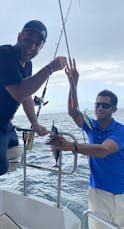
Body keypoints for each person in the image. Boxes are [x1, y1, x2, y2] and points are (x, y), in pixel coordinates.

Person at [0, 20, 67, 229]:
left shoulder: (29, 65)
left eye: (37, 43)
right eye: (28, 39)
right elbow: (18, 91)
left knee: (14, 151)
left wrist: (35, 123)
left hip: (1, 121)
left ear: (41, 47)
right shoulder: (2, 55)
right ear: (19, 36)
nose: (31, 46)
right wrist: (50, 68)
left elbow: (27, 97)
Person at [47, 59, 124, 229]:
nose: (100, 108)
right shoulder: (91, 126)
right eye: (98, 104)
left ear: (114, 109)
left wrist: (71, 146)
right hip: (98, 193)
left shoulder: (121, 131)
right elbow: (73, 111)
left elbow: (104, 150)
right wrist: (73, 83)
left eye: (106, 105)